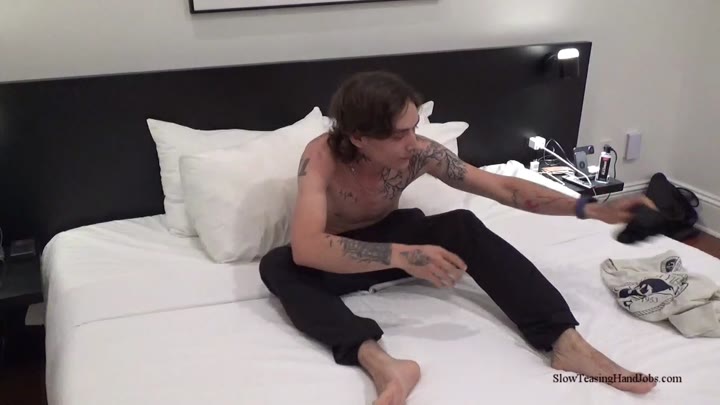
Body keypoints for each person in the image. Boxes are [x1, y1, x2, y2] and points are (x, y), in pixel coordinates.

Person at [260, 71, 657, 405]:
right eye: (398, 135)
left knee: (461, 225)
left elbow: (504, 188)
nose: (413, 143)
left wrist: (590, 208)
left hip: (393, 237)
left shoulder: (421, 154)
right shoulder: (321, 158)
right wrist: (401, 255)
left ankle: (565, 342)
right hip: (339, 259)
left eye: (414, 128)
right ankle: (383, 364)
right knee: (278, 266)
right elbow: (309, 247)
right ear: (359, 137)